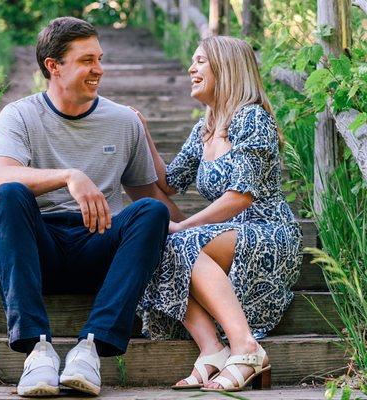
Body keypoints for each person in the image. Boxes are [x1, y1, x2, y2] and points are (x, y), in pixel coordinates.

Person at [0, 17, 172, 397]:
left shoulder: (123, 121)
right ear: (53, 66)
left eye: (99, 59)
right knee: (9, 193)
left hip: (100, 246)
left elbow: (150, 197)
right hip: (41, 251)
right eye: (87, 60)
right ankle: (37, 350)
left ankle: (90, 348)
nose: (99, 69)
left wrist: (199, 228)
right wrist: (69, 175)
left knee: (153, 213)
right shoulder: (18, 115)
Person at [134, 36, 303, 392]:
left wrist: (184, 224)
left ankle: (247, 348)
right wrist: (143, 133)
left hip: (267, 232)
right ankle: (212, 349)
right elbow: (167, 183)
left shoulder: (251, 119)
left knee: (183, 240)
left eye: (199, 61)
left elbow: (240, 197)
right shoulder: (205, 127)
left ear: (225, 68)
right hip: (228, 235)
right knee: (160, 244)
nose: (190, 69)